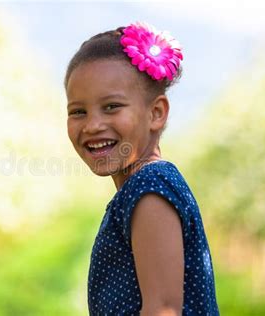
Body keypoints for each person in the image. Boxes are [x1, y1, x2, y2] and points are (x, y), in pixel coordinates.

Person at [64, 22, 220, 316]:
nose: (92, 125)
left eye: (111, 107)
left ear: (156, 113)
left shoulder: (150, 188)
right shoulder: (142, 187)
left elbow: (163, 310)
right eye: (78, 112)